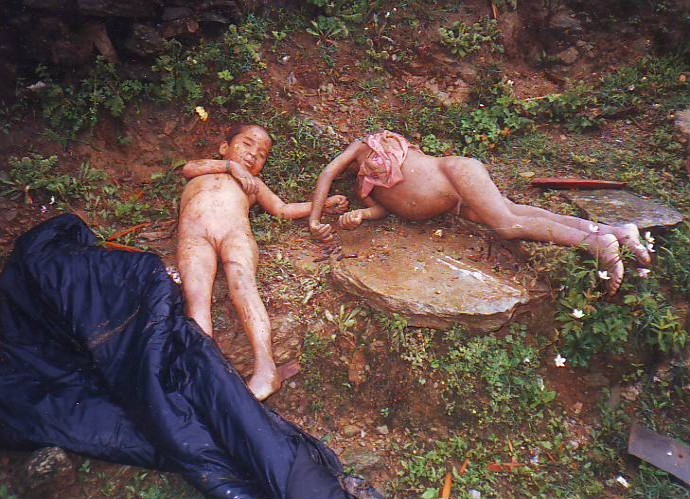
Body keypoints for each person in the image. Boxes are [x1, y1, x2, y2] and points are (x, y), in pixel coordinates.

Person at [309, 130, 652, 295]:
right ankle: (614, 231)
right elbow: (386, 210)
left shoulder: (363, 146)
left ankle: (594, 244)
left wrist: (314, 219)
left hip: (456, 174)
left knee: (507, 224)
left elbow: (326, 173)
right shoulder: (367, 188)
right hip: (456, 203)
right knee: (516, 212)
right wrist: (362, 216)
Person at [177, 124, 348, 400]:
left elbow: (282, 209)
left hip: (235, 233)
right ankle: (202, 368)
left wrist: (322, 205)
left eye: (261, 155)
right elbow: (188, 167)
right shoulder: (204, 169)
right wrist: (230, 167)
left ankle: (266, 370)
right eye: (246, 144)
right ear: (224, 147)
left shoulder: (254, 185)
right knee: (197, 298)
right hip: (195, 236)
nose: (252, 155)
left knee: (244, 287)